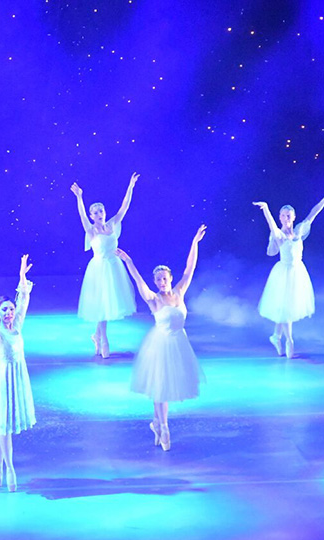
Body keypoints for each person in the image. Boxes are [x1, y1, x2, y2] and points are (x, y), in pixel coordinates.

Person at [115, 225, 207, 451]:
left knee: (165, 386)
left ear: (170, 278)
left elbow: (190, 269)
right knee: (160, 387)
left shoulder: (180, 292)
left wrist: (194, 243)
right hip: (160, 345)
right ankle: (164, 427)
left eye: (164, 278)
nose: (161, 282)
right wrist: (129, 262)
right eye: (158, 279)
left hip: (179, 344)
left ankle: (157, 424)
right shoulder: (153, 299)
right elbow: (138, 281)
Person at [252, 185, 324, 358]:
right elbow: (270, 224)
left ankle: (276, 336)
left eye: (288, 215)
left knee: (286, 307)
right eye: (283, 215)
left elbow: (314, 213)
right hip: (283, 273)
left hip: (298, 272)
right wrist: (266, 208)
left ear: (293, 217)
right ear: (280, 217)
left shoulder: (299, 231)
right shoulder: (279, 235)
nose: (286, 218)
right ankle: (289, 340)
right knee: (286, 308)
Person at [0, 255, 36, 491]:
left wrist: (22, 276)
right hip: (2, 382)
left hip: (17, 380)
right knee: (3, 427)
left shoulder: (17, 326)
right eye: (5, 310)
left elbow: (24, 301)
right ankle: (9, 468)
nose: (10, 312)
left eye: (11, 309)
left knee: (5, 426)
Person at [70, 173, 139, 358]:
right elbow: (81, 214)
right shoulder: (91, 230)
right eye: (95, 212)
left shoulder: (113, 224)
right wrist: (79, 197)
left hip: (114, 266)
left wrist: (130, 186)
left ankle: (97, 336)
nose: (99, 214)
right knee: (102, 304)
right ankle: (104, 339)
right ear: (92, 216)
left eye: (101, 211)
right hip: (99, 269)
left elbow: (125, 206)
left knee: (106, 304)